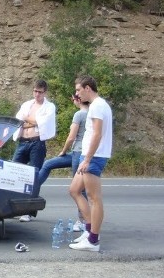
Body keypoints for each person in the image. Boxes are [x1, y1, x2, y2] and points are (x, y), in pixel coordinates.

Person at [69, 75, 113, 252]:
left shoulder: (97, 106)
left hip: (93, 156)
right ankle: (89, 231)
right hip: (89, 155)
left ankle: (93, 240)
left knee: (94, 198)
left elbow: (97, 134)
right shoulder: (98, 105)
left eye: (79, 90)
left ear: (88, 88)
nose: (77, 94)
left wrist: (87, 159)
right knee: (74, 190)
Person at [38, 93, 89, 231]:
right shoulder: (92, 114)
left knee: (79, 189)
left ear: (78, 99)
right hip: (79, 153)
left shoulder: (79, 114)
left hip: (78, 153)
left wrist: (63, 151)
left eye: (73, 99)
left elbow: (71, 137)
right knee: (48, 164)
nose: (73, 101)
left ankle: (83, 220)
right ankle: (34, 187)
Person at [13, 79, 56, 222]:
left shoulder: (49, 107)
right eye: (35, 91)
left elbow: (42, 123)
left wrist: (29, 121)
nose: (37, 94)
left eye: (40, 92)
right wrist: (30, 122)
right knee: (14, 171)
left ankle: (28, 211)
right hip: (22, 142)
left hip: (37, 143)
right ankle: (16, 207)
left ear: (45, 92)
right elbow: (19, 120)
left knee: (33, 176)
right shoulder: (27, 105)